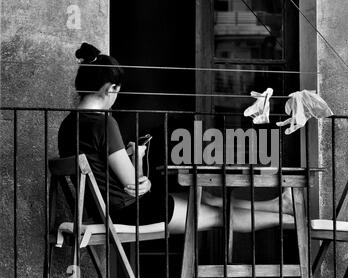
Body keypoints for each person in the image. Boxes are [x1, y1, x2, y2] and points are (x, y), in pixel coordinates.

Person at [58, 43, 296, 234]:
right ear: (110, 88)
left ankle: (276, 206)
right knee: (218, 214)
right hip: (126, 213)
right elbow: (135, 186)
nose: (115, 98)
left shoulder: (68, 124)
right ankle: (290, 222)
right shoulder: (103, 122)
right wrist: (141, 165)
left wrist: (132, 158)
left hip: (101, 210)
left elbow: (100, 169)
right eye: (117, 93)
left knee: (207, 198)